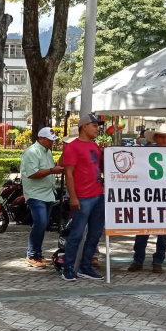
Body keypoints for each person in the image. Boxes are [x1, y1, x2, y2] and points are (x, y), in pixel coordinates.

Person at [127, 124, 166, 274]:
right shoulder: (145, 154)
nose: (163, 139)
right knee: (142, 230)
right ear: (155, 138)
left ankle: (158, 261)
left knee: (164, 232)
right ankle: (138, 260)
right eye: (161, 136)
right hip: (147, 197)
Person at [60, 114, 105, 282]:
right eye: (94, 125)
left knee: (95, 234)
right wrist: (73, 197)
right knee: (77, 234)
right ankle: (68, 268)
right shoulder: (73, 147)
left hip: (98, 195)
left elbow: (100, 168)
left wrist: (104, 153)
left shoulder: (94, 146)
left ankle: (86, 267)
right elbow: (68, 173)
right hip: (82, 197)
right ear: (84, 126)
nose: (97, 128)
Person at [21, 127, 64, 268]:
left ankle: (37, 254)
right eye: (50, 140)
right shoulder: (31, 152)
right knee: (40, 222)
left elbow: (54, 167)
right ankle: (31, 255)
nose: (52, 143)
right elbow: (33, 173)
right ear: (41, 139)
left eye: (53, 140)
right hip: (35, 194)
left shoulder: (47, 151)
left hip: (47, 193)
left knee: (42, 224)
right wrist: (52, 170)